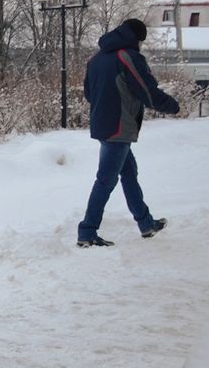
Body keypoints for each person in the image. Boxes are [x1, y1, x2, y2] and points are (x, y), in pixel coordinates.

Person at [77, 18, 180, 247]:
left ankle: (146, 223)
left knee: (129, 173)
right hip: (119, 127)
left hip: (104, 125)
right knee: (105, 180)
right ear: (136, 38)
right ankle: (87, 231)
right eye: (141, 40)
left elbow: (89, 93)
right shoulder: (128, 57)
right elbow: (147, 92)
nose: (141, 45)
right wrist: (173, 106)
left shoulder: (96, 59)